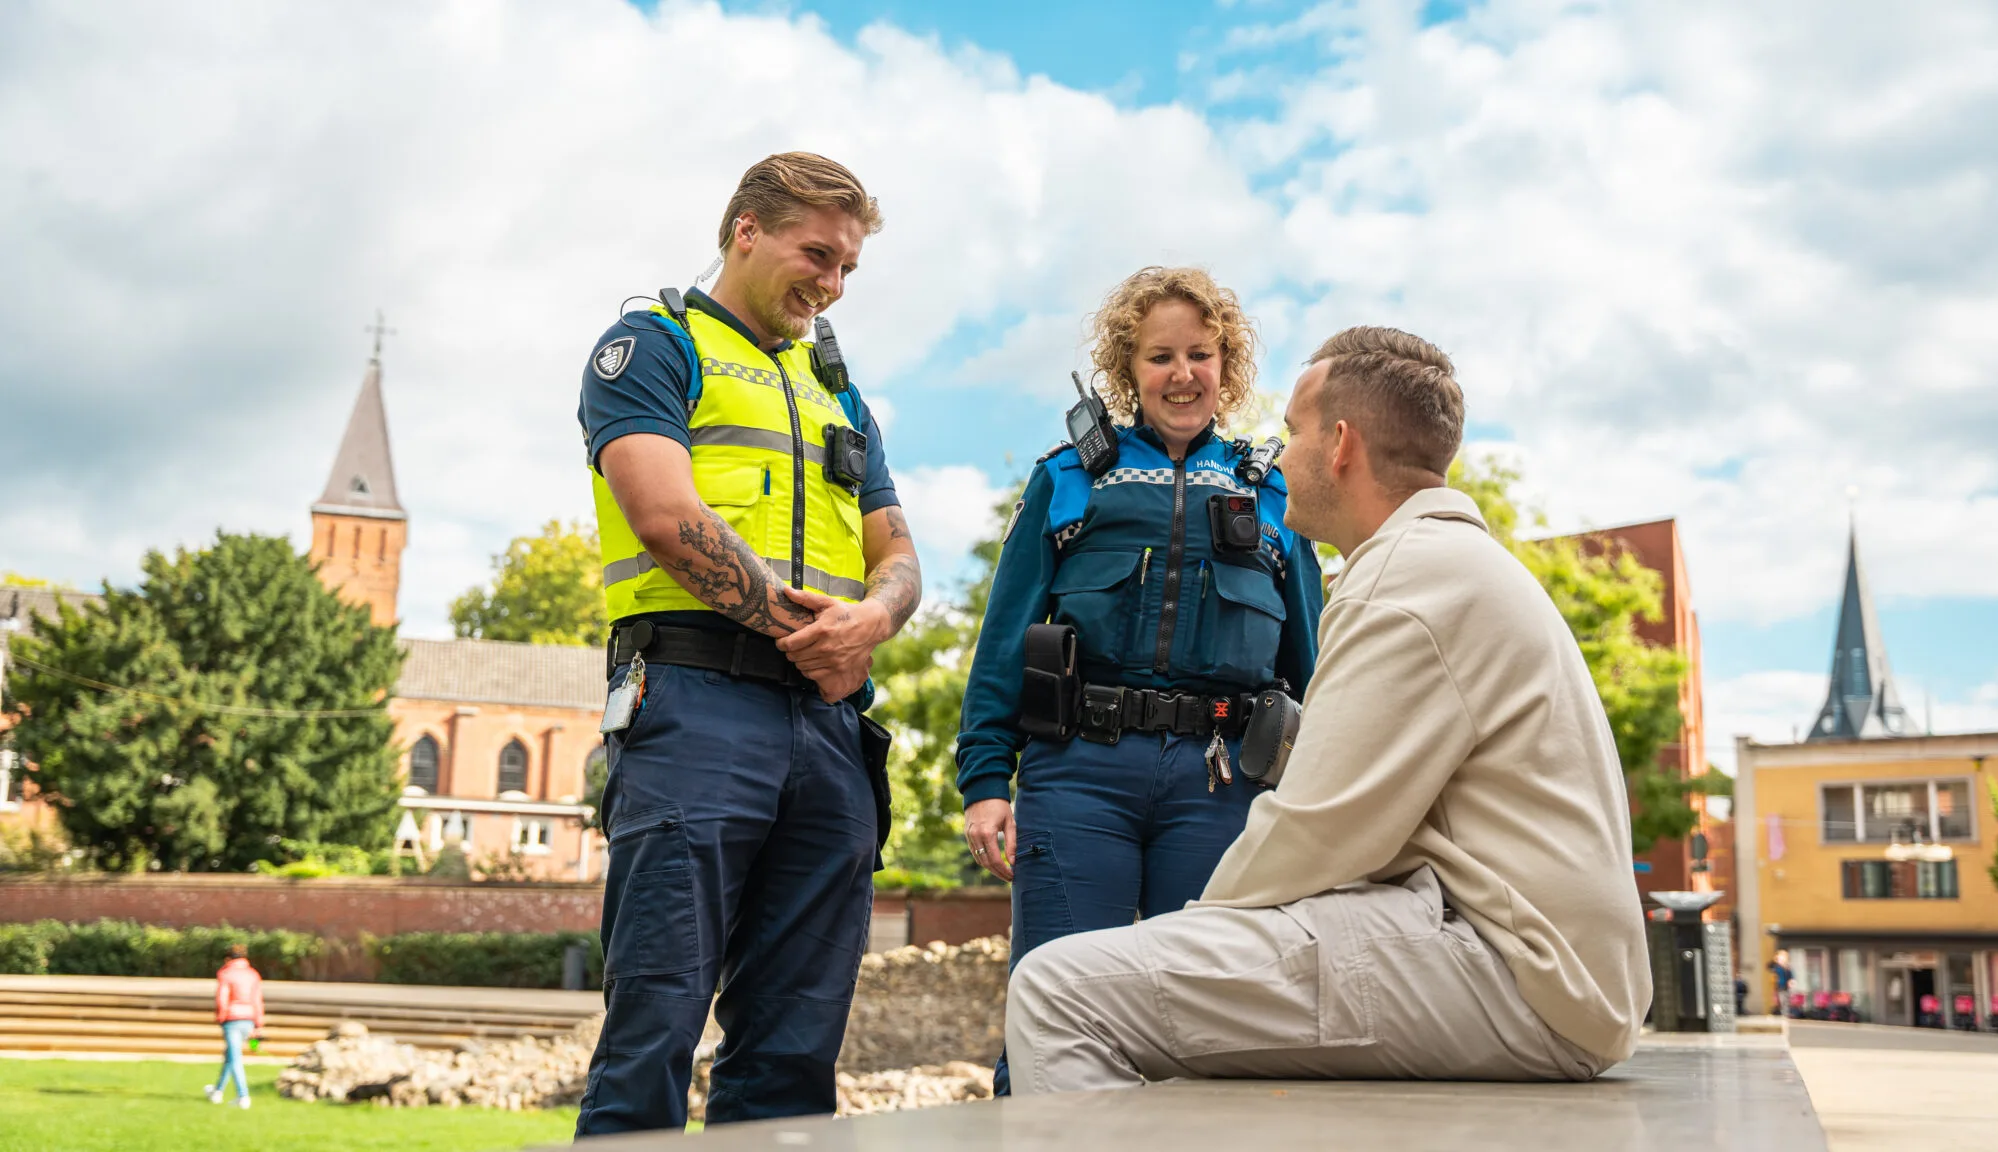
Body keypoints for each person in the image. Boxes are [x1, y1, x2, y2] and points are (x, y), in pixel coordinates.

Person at [1004, 325, 1652, 1092]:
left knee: (1059, 991)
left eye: (1293, 433)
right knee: (1177, 993)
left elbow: (1317, 828)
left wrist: (1189, 935)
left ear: (1340, 444)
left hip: (1521, 975)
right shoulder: (1450, 563)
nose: (1279, 457)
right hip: (1547, 967)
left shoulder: (1406, 584)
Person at [573, 152, 922, 1135]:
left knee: (794, 1046)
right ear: (745, 232)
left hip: (826, 727)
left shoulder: (839, 394)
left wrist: (873, 620)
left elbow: (898, 555)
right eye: (817, 253)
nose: (832, 283)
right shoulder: (651, 345)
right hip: (691, 704)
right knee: (655, 1023)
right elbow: (660, 511)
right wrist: (801, 628)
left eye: (849, 267)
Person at [956, 266, 1324, 1095]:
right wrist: (985, 780)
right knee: (1053, 1007)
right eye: (1160, 357)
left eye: (1201, 353)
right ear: (1129, 368)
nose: (1183, 374)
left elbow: (1314, 667)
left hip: (1221, 786)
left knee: (1205, 1027)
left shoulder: (1274, 495)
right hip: (1080, 774)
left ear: (1227, 365)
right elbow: (1005, 639)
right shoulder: (1066, 480)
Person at [205, 944, 263, 1109]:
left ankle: (243, 1095)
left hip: (232, 1019)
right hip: (249, 1018)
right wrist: (258, 1023)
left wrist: (221, 1016)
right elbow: (257, 1000)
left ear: (228, 958)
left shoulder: (226, 974)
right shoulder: (253, 975)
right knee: (230, 1056)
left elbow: (222, 998)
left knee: (235, 1057)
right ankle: (217, 1091)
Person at [1770, 949, 1795, 1015]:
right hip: (1779, 986)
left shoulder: (1787, 967)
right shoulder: (1777, 967)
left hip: (1786, 986)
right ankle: (1783, 1013)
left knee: (1786, 999)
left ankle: (1785, 1013)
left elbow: (1791, 975)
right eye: (1779, 958)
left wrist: (1791, 981)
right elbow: (1770, 968)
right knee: (1781, 1000)